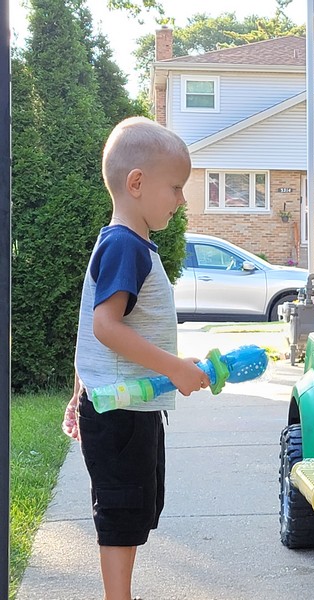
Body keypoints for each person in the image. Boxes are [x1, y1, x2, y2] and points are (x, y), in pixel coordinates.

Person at [63, 116, 210, 600]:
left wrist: (176, 364)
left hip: (129, 404)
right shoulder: (125, 245)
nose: (181, 200)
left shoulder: (128, 243)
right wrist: (174, 368)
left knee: (134, 507)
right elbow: (105, 327)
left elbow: (101, 327)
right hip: (120, 411)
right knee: (121, 511)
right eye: (176, 187)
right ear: (137, 183)